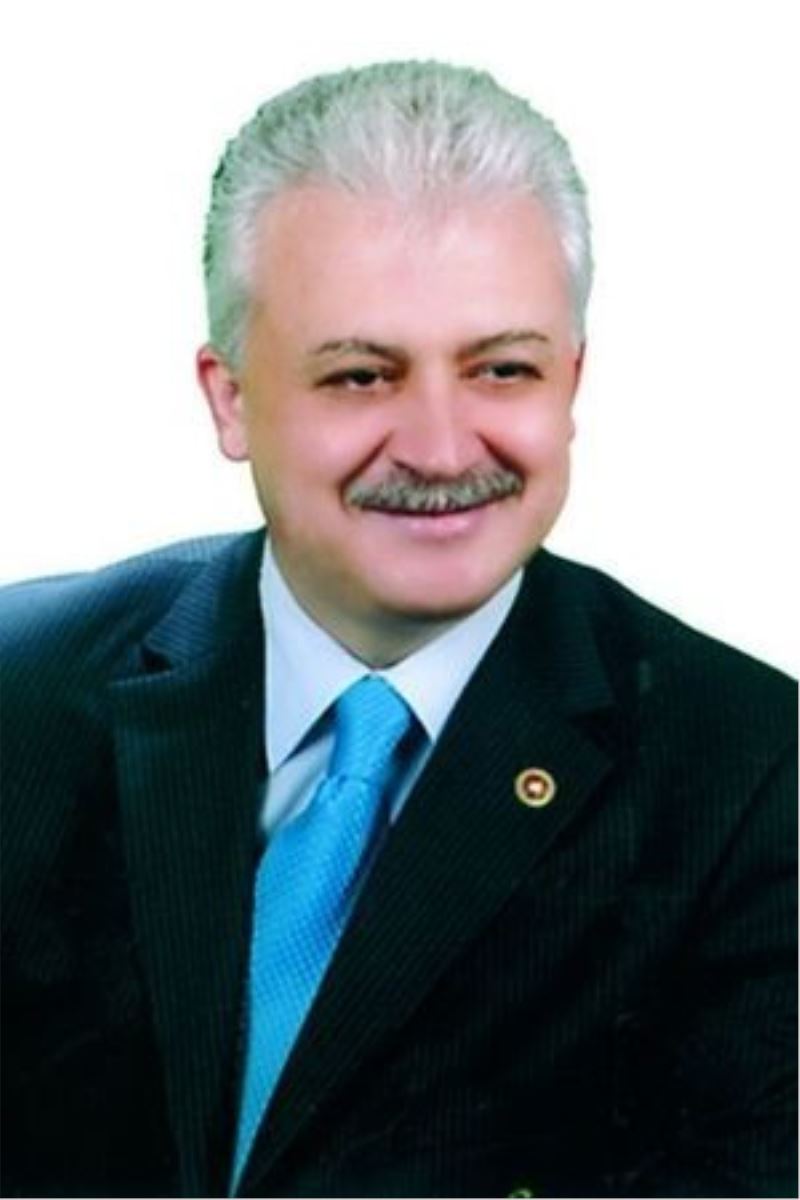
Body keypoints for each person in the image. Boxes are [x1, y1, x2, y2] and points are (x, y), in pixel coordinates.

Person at [1, 61, 796, 1200]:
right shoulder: (20, 693)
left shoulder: (752, 782)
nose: (439, 447)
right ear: (230, 398)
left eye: (502, 369)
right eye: (361, 375)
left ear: (570, 382)